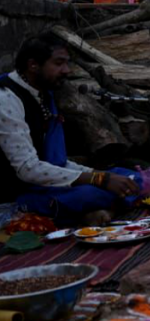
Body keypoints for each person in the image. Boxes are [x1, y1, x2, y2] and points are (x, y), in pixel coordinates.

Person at [0, 34, 140, 226]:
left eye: (67, 63)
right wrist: (98, 179)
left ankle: (100, 212)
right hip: (17, 196)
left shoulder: (42, 94)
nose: (66, 70)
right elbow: (27, 169)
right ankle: (99, 211)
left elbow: (56, 162)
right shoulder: (6, 98)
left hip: (45, 185)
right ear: (33, 65)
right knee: (90, 194)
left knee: (131, 177)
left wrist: (103, 176)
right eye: (59, 63)